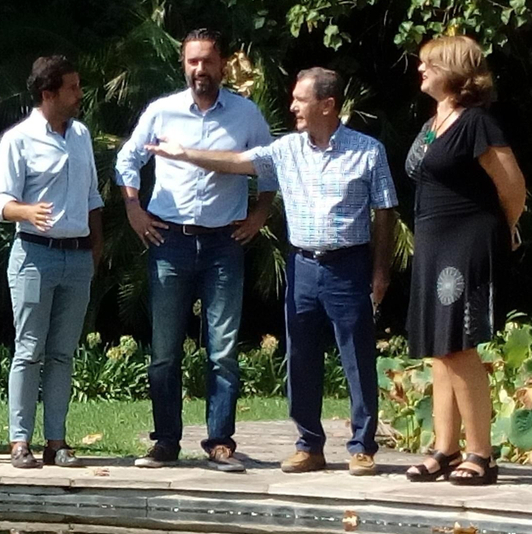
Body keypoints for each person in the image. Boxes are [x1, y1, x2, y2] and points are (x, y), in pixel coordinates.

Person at [149, 68, 397, 477]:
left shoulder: (368, 151)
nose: (293, 107)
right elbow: (236, 162)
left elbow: (385, 211)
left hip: (348, 265)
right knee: (300, 358)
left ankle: (362, 446)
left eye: (301, 100)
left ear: (327, 105)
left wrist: (380, 270)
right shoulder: (287, 150)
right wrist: (185, 154)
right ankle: (309, 445)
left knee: (356, 357)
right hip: (303, 265)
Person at [114, 29, 276, 473]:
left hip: (225, 242)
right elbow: (128, 160)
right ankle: (165, 441)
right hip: (171, 241)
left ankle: (220, 442)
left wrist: (260, 214)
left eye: (207, 61)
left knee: (222, 349)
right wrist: (133, 209)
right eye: (192, 62)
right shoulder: (162, 112)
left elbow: (270, 166)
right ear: (183, 65)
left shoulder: (245, 114)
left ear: (222, 63)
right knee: (165, 350)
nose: (199, 70)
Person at [401, 35, 526, 486]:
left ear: (454, 69)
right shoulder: (435, 120)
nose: (421, 70)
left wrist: (504, 229)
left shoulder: (477, 123)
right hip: (433, 242)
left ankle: (481, 454)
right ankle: (445, 449)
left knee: (459, 344)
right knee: (439, 347)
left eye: (429, 64)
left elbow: (513, 187)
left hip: (468, 240)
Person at [0, 55, 104, 469]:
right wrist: (26, 212)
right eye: (72, 88)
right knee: (29, 351)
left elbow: (92, 196)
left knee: (62, 354)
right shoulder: (18, 139)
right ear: (48, 93)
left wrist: (96, 246)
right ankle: (20, 442)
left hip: (77, 259)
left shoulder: (81, 136)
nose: (79, 95)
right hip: (35, 255)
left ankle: (57, 442)